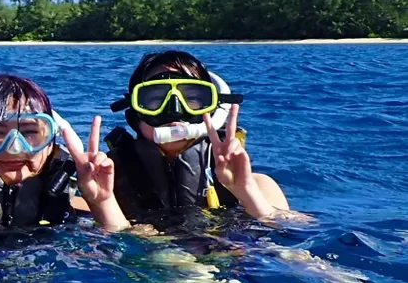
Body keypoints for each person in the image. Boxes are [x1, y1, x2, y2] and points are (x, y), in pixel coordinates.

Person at [0, 73, 129, 232]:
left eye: (30, 132)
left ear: (51, 144)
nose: (15, 148)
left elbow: (121, 251)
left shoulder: (72, 201)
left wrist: (102, 201)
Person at [105, 50, 289, 222]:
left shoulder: (260, 186)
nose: (175, 111)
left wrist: (246, 192)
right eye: (155, 99)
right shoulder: (109, 188)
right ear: (135, 116)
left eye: (192, 99)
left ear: (212, 110)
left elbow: (293, 238)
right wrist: (101, 203)